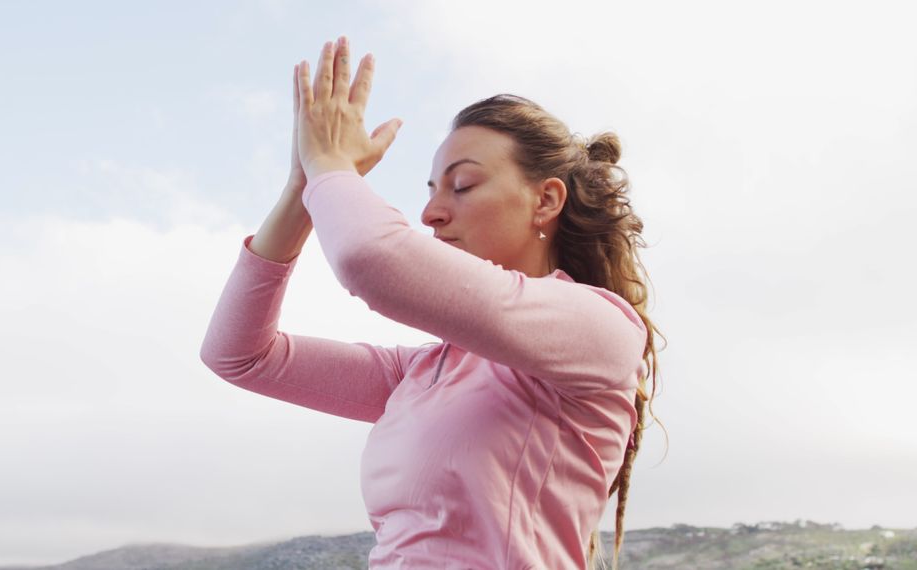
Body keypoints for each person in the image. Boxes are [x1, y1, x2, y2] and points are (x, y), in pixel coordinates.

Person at [200, 35, 666, 570]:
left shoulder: (599, 328)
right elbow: (237, 355)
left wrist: (332, 169)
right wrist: (302, 187)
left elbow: (371, 259)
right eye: (430, 190)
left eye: (462, 186)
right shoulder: (423, 374)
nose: (431, 213)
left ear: (547, 200)